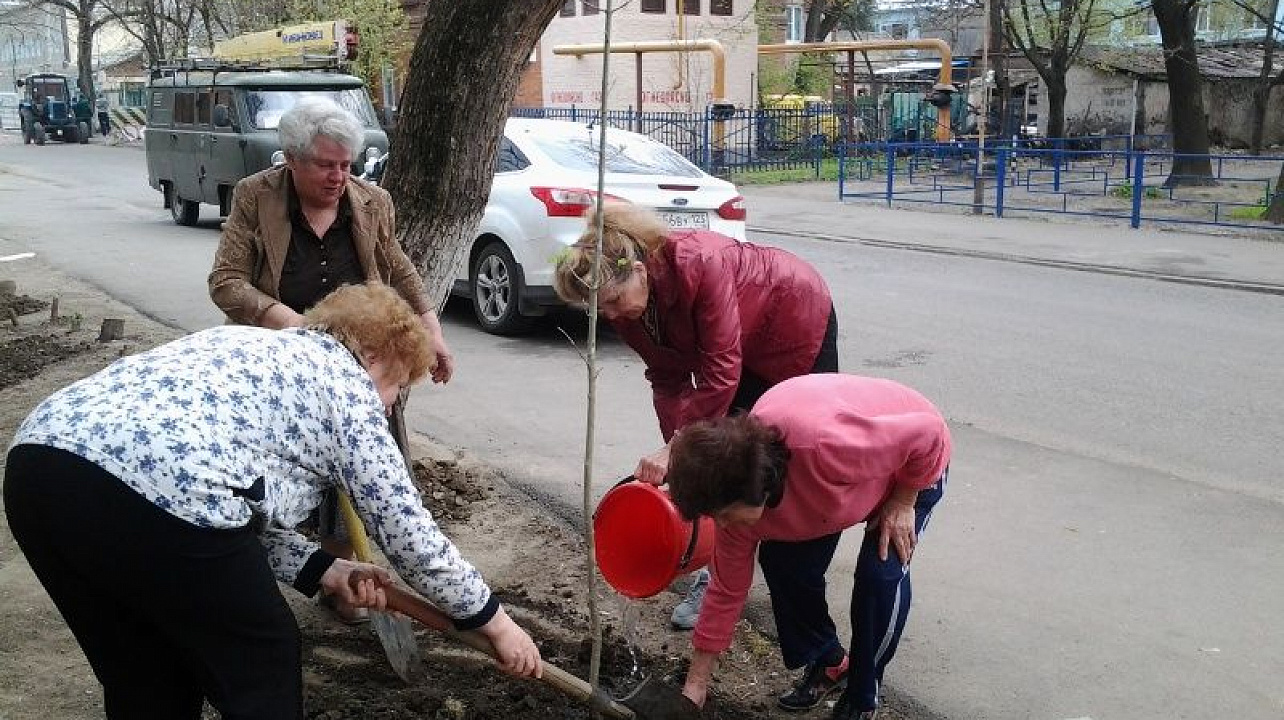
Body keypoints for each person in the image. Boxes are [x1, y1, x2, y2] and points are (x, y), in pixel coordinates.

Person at [3, 282, 542, 719]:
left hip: (40, 470)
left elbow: (220, 508)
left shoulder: (249, 347)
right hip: (155, 491)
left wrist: (324, 569)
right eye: (396, 388)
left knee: (145, 670)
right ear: (375, 354)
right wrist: (494, 622)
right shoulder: (345, 384)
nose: (387, 406)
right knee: (262, 657)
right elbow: (409, 534)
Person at [209, 96, 454, 621]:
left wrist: (431, 330)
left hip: (363, 360)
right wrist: (293, 324)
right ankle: (284, 566)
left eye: (346, 165)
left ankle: (346, 581)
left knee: (363, 469)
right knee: (284, 471)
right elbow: (226, 282)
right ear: (292, 159)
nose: (339, 177)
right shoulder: (256, 196)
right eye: (326, 165)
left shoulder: (371, 201)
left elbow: (399, 266)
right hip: (284, 362)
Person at [552, 201, 838, 630]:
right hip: (734, 351)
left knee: (791, 446)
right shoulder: (628, 307)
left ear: (639, 271)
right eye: (598, 309)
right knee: (719, 456)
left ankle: (796, 560)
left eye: (611, 301)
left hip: (792, 322)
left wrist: (680, 444)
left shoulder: (698, 262)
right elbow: (667, 379)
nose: (609, 315)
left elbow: (721, 370)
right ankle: (719, 570)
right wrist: (682, 453)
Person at [664, 374, 951, 720]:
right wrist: (695, 686)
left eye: (724, 514)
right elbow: (725, 592)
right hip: (832, 490)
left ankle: (863, 695)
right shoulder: (734, 501)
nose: (722, 525)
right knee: (785, 566)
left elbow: (929, 433)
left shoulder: (823, 446)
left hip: (911, 464)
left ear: (753, 489)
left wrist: (905, 499)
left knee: (879, 576)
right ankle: (830, 661)